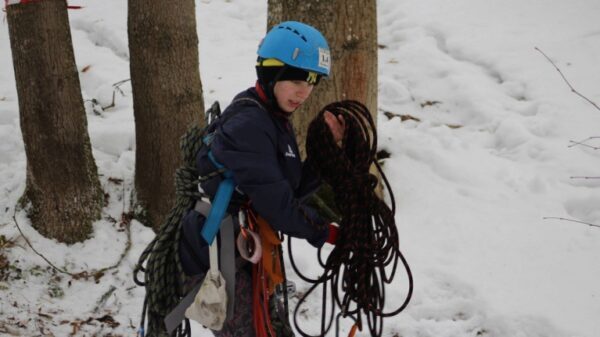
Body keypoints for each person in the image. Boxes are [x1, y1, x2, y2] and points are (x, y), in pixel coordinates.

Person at [179, 21, 345, 337]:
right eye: (296, 79)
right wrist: (331, 234)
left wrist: (326, 152)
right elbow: (281, 209)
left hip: (243, 250)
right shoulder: (250, 125)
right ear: (270, 74)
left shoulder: (271, 116)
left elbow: (290, 190)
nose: (305, 92)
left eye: (312, 82)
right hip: (216, 257)